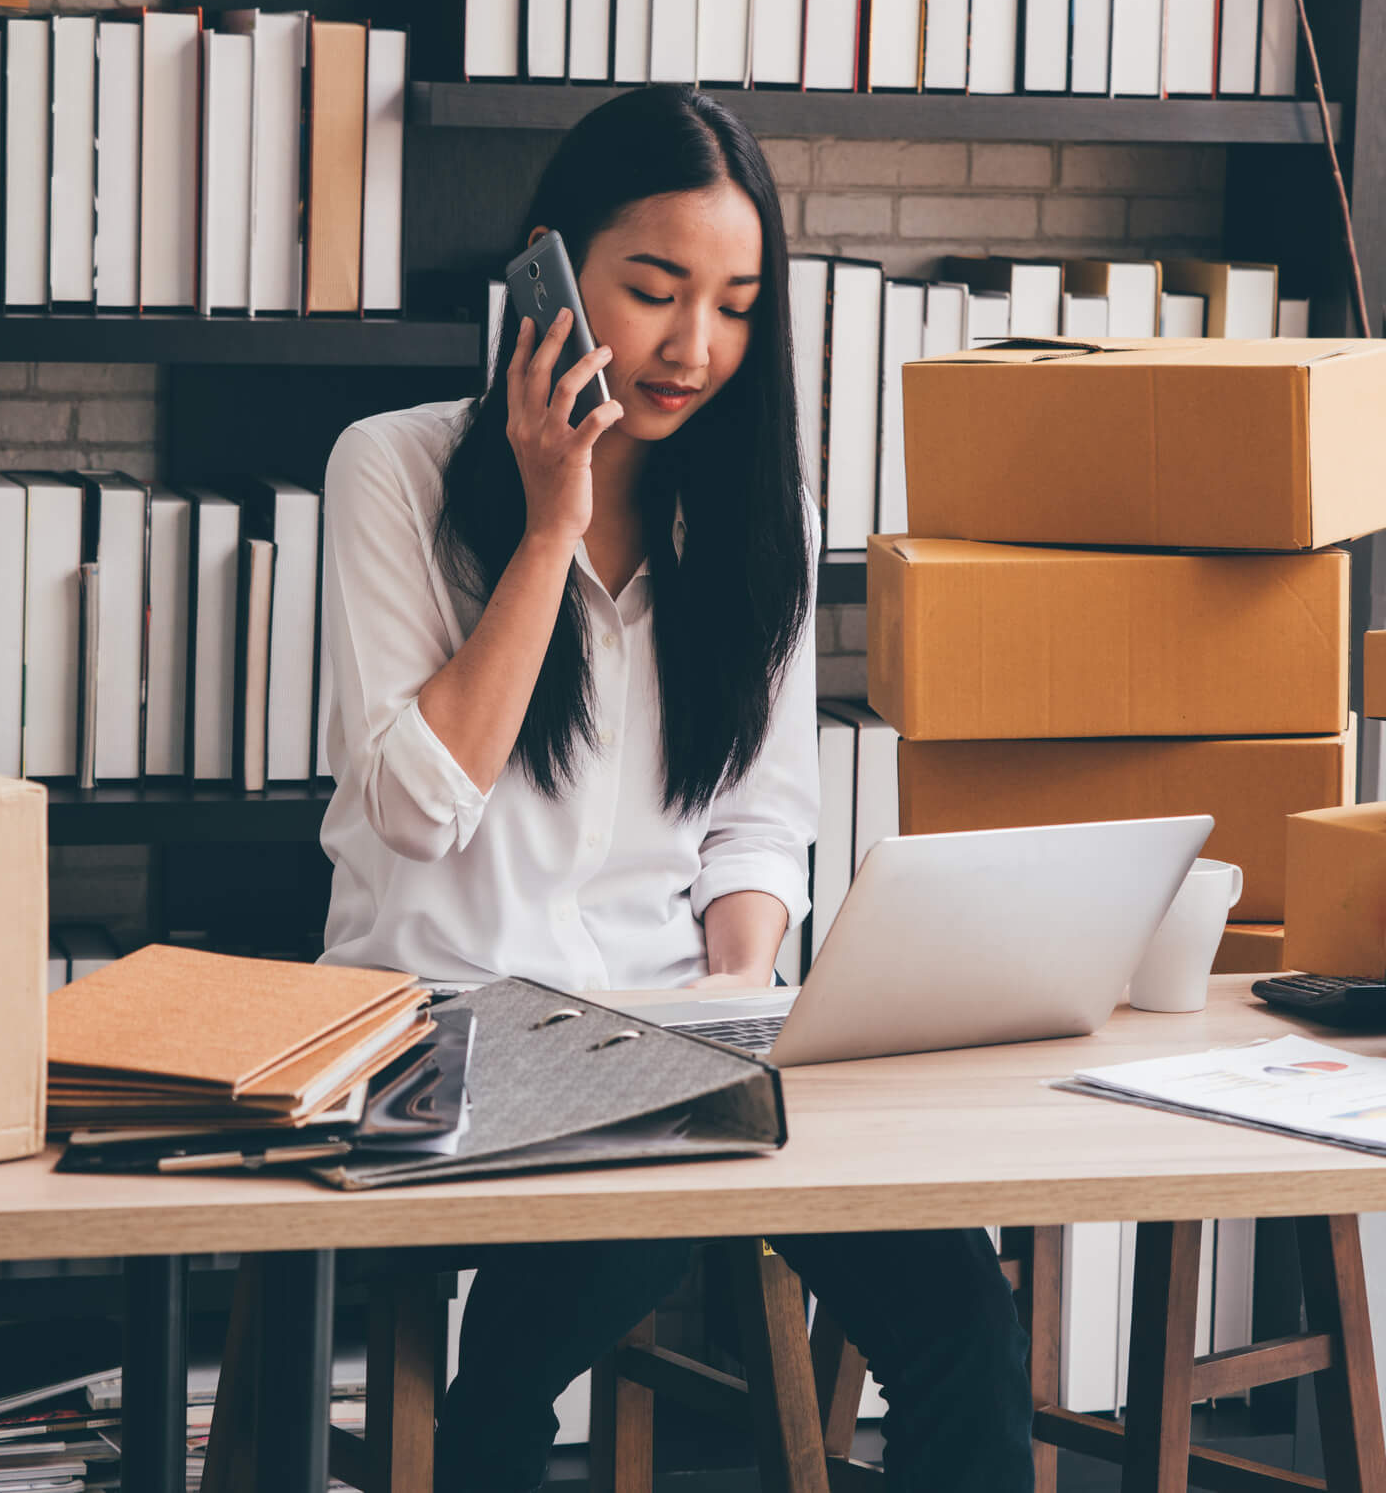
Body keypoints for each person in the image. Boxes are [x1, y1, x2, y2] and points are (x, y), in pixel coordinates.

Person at [315, 85, 1033, 1493]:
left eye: (735, 303)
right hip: (441, 1034)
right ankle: (498, 1420)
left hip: (675, 1034)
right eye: (652, 290)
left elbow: (760, 821)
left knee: (958, 1310)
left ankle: (502, 1404)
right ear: (551, 273)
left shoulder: (761, 521)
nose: (693, 346)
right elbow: (417, 807)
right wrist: (549, 527)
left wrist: (738, 992)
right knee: (615, 1228)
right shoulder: (388, 472)